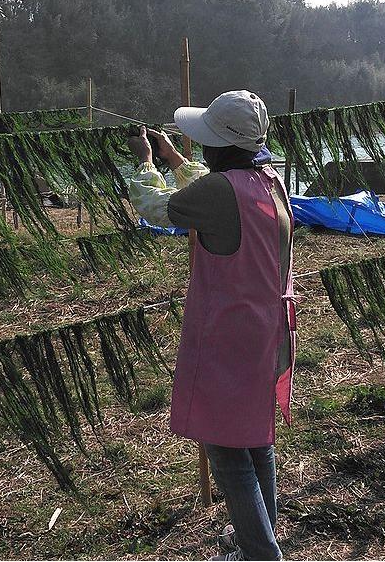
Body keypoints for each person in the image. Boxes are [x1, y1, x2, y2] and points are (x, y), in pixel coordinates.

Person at [127, 90, 296, 561]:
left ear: (222, 146)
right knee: (256, 437)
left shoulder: (218, 191)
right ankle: (256, 538)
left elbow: (157, 206)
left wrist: (146, 162)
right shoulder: (269, 181)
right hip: (268, 330)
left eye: (205, 141)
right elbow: (210, 186)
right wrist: (176, 158)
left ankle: (261, 553)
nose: (201, 148)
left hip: (227, 334)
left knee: (225, 450)